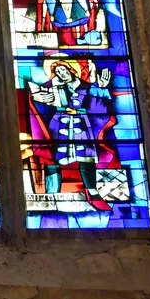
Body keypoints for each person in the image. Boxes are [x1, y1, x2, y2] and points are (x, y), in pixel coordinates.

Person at [30, 59, 116, 212]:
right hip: (58, 124)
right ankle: (52, 193)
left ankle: (93, 192)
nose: (61, 73)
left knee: (87, 157)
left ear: (70, 69)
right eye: (57, 72)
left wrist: (102, 88)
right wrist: (37, 98)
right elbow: (34, 98)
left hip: (81, 124)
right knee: (53, 157)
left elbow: (99, 101)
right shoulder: (51, 87)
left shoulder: (86, 86)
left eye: (63, 70)